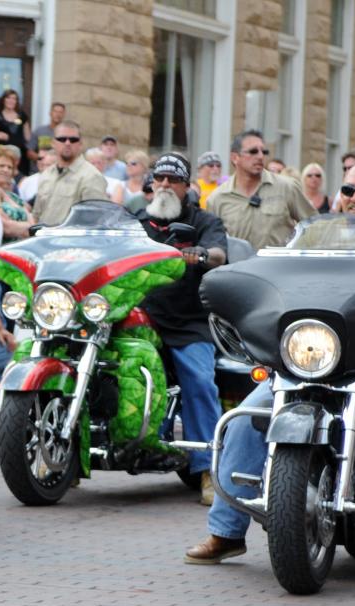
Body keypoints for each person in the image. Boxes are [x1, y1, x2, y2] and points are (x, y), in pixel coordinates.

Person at [186, 161, 355, 563]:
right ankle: (226, 532)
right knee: (246, 419)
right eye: (350, 190)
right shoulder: (316, 237)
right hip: (315, 358)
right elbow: (281, 273)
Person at [136, 153, 228, 506]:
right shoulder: (136, 220)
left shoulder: (203, 220)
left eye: (172, 180)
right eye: (159, 178)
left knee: (200, 381)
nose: (164, 185)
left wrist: (201, 254)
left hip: (189, 322)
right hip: (141, 319)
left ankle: (208, 470)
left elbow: (219, 253)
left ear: (186, 187)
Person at [207, 130, 316, 250]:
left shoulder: (287, 188)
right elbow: (212, 242)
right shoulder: (217, 198)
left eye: (264, 152)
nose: (260, 156)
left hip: (278, 267)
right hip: (236, 267)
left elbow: (316, 227)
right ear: (235, 157)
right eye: (253, 151)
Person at [33, 120, 106, 227]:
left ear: (80, 144)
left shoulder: (91, 176)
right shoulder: (46, 174)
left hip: (72, 242)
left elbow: (94, 221)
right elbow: (36, 215)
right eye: (62, 139)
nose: (67, 143)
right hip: (42, 240)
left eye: (73, 140)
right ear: (53, 143)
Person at [0, 145, 35, 242]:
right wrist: (27, 227)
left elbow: (33, 225)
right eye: (1, 166)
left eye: (9, 167)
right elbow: (6, 227)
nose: (6, 170)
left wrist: (25, 228)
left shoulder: (14, 197)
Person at [0, 89, 31, 176]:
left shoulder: (22, 116)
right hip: (3, 154)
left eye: (14, 99)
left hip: (21, 155)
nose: (11, 101)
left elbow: (28, 137)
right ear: (3, 100)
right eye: (8, 98)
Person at [27, 101, 66, 168]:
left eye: (60, 112)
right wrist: (42, 159)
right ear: (50, 113)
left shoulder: (66, 134)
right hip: (39, 171)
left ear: (64, 114)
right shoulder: (39, 131)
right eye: (55, 111)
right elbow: (29, 152)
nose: (58, 114)